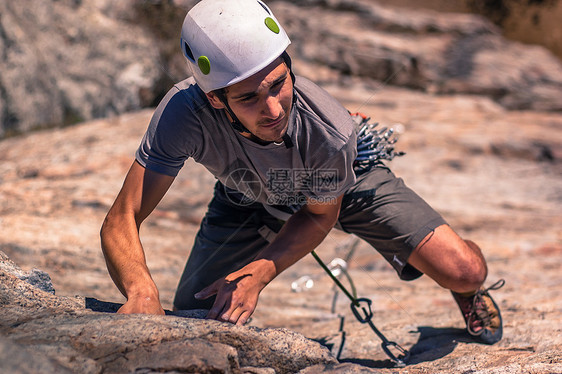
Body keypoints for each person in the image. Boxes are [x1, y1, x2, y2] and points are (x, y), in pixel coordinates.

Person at [100, 0, 504, 344]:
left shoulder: (329, 130)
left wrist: (262, 271)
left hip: (346, 180)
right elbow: (123, 216)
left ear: (287, 65)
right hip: (249, 194)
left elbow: (317, 216)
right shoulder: (184, 114)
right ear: (215, 99)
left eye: (278, 84)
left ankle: (461, 275)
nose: (274, 110)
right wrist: (141, 290)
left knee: (464, 271)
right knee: (197, 310)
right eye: (249, 97)